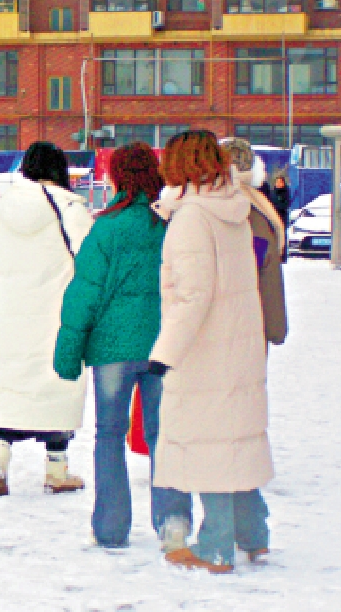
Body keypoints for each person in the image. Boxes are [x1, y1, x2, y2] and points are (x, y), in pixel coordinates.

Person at [54, 143, 192, 548]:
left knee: (110, 434)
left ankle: (111, 527)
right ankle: (174, 523)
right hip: (165, 344)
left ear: (116, 176)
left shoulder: (107, 227)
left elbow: (85, 292)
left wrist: (68, 352)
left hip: (113, 348)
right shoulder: (170, 223)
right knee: (165, 435)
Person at [149, 130, 273, 574]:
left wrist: (165, 353)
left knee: (210, 445)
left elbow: (192, 295)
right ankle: (254, 533)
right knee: (234, 438)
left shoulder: (192, 217)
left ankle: (215, 546)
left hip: (203, 348)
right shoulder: (234, 207)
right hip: (236, 342)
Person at [0, 142, 93, 497]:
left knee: (12, 386)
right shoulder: (68, 207)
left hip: (13, 313)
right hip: (55, 313)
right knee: (57, 384)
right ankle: (57, 469)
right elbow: (90, 255)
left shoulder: (3, 208)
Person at [220, 139, 288, 347]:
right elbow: (268, 273)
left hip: (212, 326)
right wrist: (276, 329)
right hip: (250, 324)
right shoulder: (260, 210)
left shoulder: (203, 203)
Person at [269, 172, 291, 262]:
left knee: (282, 235)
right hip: (273, 218)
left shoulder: (286, 193)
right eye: (277, 182)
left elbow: (285, 205)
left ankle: (283, 256)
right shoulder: (272, 193)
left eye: (280, 182)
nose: (278, 184)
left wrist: (277, 205)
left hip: (282, 218)